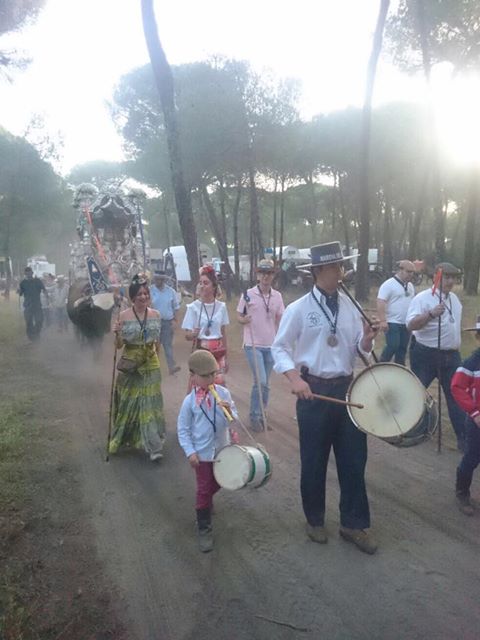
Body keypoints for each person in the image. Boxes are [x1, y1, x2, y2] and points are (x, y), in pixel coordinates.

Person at [272, 241, 379, 555]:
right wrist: (294, 378)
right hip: (313, 392)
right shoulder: (299, 309)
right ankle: (315, 520)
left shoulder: (351, 306)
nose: (341, 272)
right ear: (318, 270)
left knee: (354, 460)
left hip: (347, 390)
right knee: (314, 460)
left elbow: (359, 348)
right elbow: (279, 347)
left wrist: (368, 339)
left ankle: (353, 524)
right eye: (335, 266)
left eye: (342, 266)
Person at [177, 349, 238, 553]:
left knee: (223, 481)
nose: (211, 379)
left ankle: (204, 503)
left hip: (222, 450)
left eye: (213, 374)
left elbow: (234, 419)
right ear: (193, 376)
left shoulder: (224, 393)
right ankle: (204, 527)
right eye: (205, 376)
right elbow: (183, 430)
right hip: (202, 454)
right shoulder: (189, 402)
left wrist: (229, 411)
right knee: (204, 489)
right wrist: (190, 452)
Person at [406, 262, 466, 451]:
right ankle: (406, 428)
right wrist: (431, 314)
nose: (450, 281)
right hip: (426, 354)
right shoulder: (423, 298)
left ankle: (464, 439)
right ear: (436, 277)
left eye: (453, 277)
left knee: (457, 396)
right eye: (446, 277)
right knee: (416, 393)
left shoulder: (454, 299)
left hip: (451, 356)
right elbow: (411, 325)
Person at [109, 275, 166, 462]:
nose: (143, 297)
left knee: (149, 403)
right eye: (139, 294)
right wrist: (117, 333)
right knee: (130, 402)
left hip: (150, 363)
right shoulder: (123, 316)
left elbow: (157, 342)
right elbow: (119, 346)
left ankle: (154, 446)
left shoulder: (156, 315)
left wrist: (156, 360)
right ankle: (126, 437)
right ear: (133, 297)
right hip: (131, 364)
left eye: (146, 293)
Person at [236, 259, 285, 431]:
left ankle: (262, 414)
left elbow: (281, 318)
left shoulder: (277, 296)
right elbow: (239, 315)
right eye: (263, 273)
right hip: (252, 344)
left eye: (269, 273)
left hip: (270, 345)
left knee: (265, 384)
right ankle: (255, 416)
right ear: (257, 275)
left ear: (273, 275)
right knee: (261, 382)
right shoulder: (248, 294)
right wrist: (244, 320)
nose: (266, 276)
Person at [451, 315, 480, 515]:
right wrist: (474, 412)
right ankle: (462, 493)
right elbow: (457, 387)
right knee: (472, 457)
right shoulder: (472, 363)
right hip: (476, 421)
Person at [182, 264, 229, 386]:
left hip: (218, 351)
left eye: (206, 283)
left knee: (218, 385)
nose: (202, 286)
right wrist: (193, 334)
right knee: (201, 385)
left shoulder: (221, 307)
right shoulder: (193, 307)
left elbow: (223, 332)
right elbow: (187, 335)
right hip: (201, 351)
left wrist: (226, 357)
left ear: (214, 286)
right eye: (200, 283)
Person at [376, 260, 416, 365]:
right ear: (400, 270)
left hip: (406, 323)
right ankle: (381, 365)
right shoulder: (389, 284)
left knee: (402, 349)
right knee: (393, 345)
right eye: (408, 271)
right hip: (392, 321)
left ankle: (399, 368)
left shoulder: (410, 286)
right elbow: (381, 301)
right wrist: (383, 320)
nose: (411, 274)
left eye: (412, 272)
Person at [150, 269, 181, 375]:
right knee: (154, 346)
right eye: (156, 279)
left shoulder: (171, 291)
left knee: (168, 345)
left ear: (163, 280)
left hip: (167, 322)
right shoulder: (150, 291)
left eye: (159, 279)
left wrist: (175, 321)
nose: (157, 281)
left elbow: (176, 307)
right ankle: (154, 368)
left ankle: (171, 367)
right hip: (153, 323)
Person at [18, 266, 47, 341]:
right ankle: (31, 337)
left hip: (37, 305)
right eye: (27, 273)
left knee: (39, 321)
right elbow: (20, 293)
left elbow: (44, 289)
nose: (28, 275)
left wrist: (46, 295)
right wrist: (19, 290)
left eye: (29, 273)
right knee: (29, 322)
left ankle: (36, 333)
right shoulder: (23, 283)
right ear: (25, 274)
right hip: (28, 306)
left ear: (32, 273)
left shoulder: (37, 281)